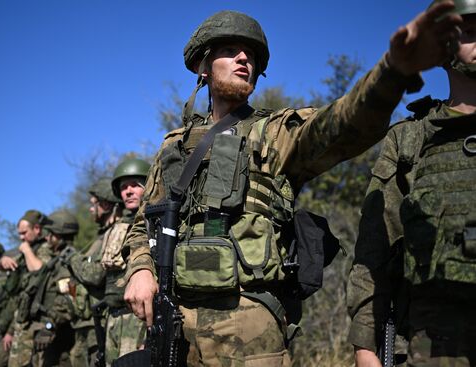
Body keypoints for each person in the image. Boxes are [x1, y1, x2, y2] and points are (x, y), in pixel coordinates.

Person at [121, 4, 464, 366]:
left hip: (249, 331)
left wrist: (393, 71)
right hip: (175, 326)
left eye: (251, 54)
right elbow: (142, 225)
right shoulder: (173, 146)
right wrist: (141, 269)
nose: (243, 58)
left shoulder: (276, 133)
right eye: (229, 51)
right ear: (202, 67)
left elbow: (345, 123)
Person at [347, 1, 476, 366]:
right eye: (469, 32)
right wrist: (365, 346)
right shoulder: (410, 138)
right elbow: (375, 248)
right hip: (432, 341)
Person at [65, 176, 123, 366]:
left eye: (94, 204)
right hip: (92, 320)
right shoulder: (102, 236)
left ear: (105, 205)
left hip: (106, 320)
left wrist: (73, 259)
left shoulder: (117, 233)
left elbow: (95, 274)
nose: (91, 209)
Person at [103, 158, 149, 364]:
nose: (128, 191)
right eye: (123, 187)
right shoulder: (114, 230)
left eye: (134, 185)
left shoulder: (155, 223)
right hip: (113, 318)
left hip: (139, 319)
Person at [24, 209, 79, 367]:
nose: (47, 237)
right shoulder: (56, 261)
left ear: (60, 236)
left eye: (51, 234)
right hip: (52, 334)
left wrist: (49, 326)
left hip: (60, 335)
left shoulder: (68, 262)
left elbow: (68, 298)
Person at [3, 209, 53, 367]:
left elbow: (40, 271)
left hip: (37, 325)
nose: (21, 237)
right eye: (19, 233)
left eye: (24, 232)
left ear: (37, 229)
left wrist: (26, 251)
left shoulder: (45, 248)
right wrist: (3, 260)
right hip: (21, 324)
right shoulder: (27, 250)